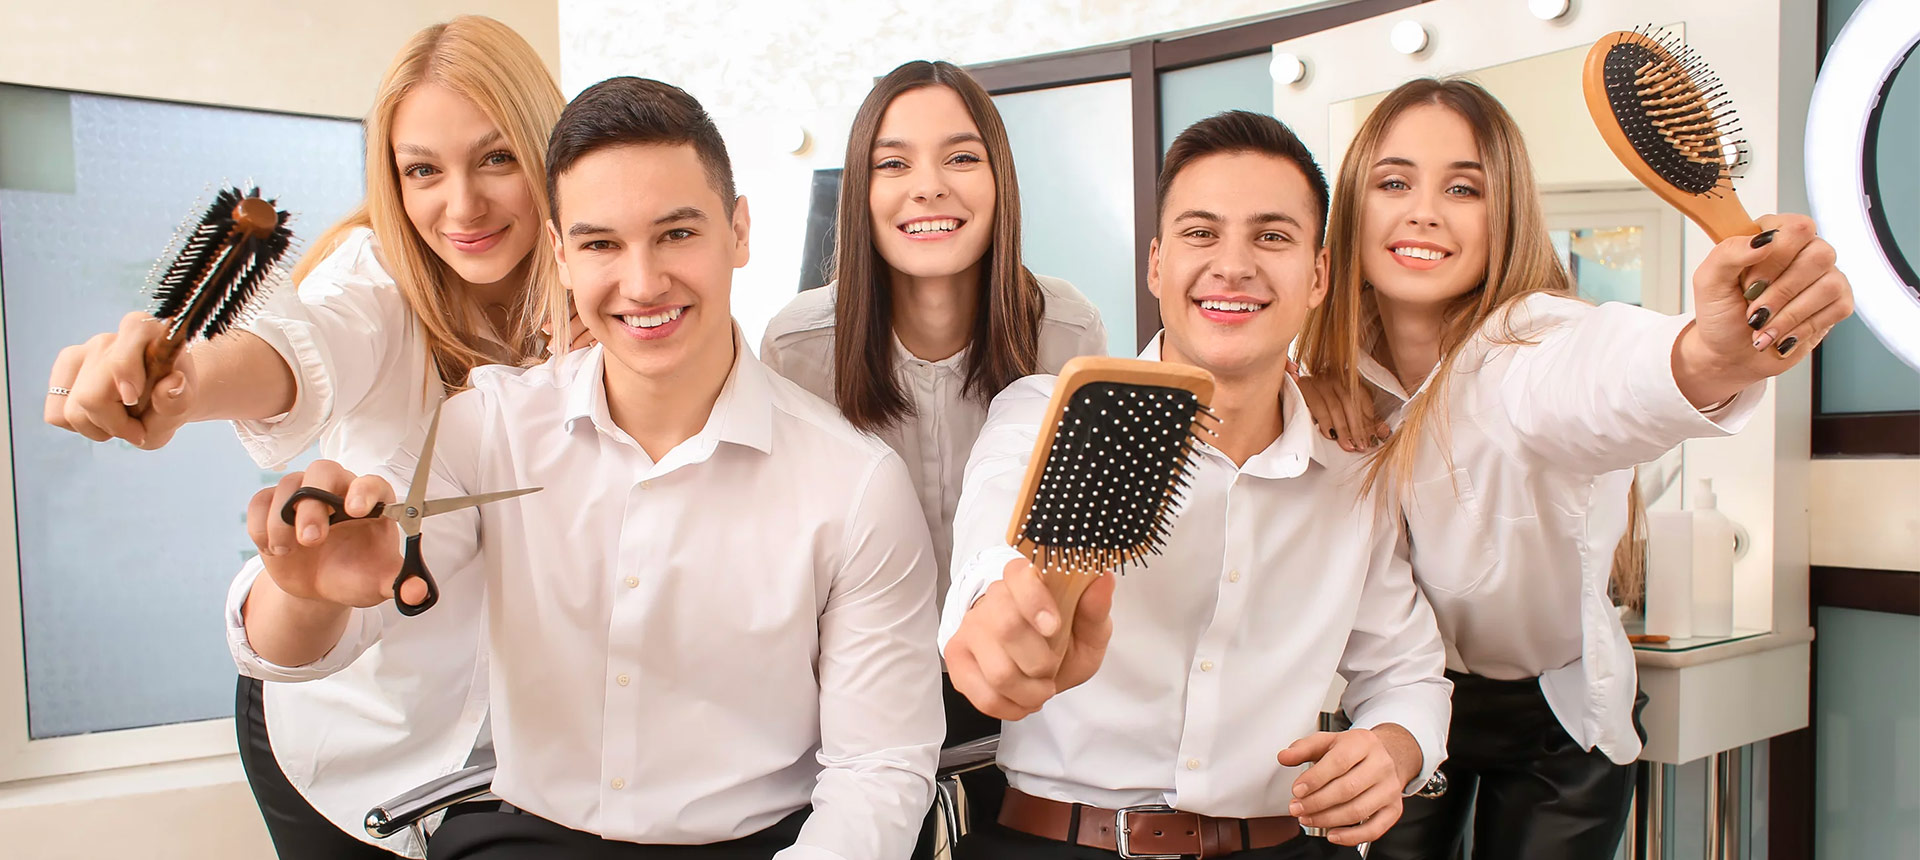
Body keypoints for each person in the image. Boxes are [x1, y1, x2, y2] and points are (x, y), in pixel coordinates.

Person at [236, 76, 944, 860]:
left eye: (677, 234)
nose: (643, 284)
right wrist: (306, 589)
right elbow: (303, 641)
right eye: (602, 244)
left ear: (738, 232)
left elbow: (878, 768)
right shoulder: (487, 429)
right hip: (527, 837)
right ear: (562, 256)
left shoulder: (855, 483)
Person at [42, 16, 568, 859]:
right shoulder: (374, 277)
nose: (462, 205)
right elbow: (298, 347)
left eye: (497, 158)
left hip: (500, 761)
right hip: (343, 729)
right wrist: (185, 384)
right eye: (422, 170)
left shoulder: (593, 305)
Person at [1293, 78, 1853, 860]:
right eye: (1394, 183)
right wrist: (1297, 387)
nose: (1423, 211)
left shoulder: (1534, 345)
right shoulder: (1317, 366)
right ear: (1352, 207)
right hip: (1394, 705)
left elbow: (1612, 373)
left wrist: (1710, 356)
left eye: (1463, 188)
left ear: (1507, 214)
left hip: (1555, 719)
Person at [942, 110, 1453, 860]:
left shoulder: (1352, 474)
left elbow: (1408, 674)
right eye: (1201, 233)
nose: (1233, 265)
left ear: (1317, 275)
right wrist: (996, 618)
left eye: (1271, 237)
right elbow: (992, 556)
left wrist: (1393, 750)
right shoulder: (1047, 414)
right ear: (1157, 264)